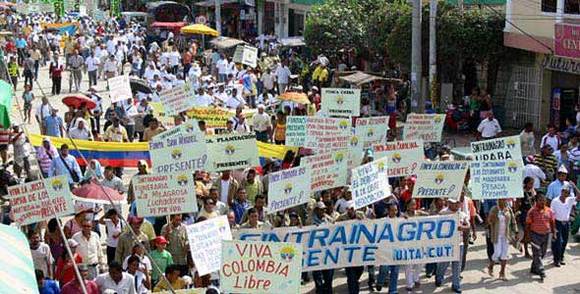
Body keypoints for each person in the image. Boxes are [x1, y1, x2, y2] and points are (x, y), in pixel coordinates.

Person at [436, 198, 469, 293]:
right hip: (446, 243)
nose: (455, 205)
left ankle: (456, 284)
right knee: (444, 262)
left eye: (457, 203)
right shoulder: (443, 213)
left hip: (459, 243)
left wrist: (462, 227)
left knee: (457, 265)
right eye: (453, 203)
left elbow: (468, 226)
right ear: (449, 203)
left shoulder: (462, 214)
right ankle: (439, 276)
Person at [335, 201, 366, 294]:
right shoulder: (342, 217)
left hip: (359, 248)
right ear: (347, 210)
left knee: (359, 269)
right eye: (349, 209)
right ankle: (353, 289)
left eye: (352, 209)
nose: (351, 211)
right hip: (347, 250)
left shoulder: (361, 215)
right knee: (351, 273)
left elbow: (369, 225)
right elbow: (333, 226)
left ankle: (353, 282)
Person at [487, 199, 518, 281]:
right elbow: (489, 222)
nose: (503, 201)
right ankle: (491, 265)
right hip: (497, 235)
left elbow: (513, 221)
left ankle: (502, 272)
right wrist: (493, 217)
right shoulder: (494, 209)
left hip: (506, 235)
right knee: (497, 252)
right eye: (501, 199)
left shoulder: (508, 209)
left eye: (504, 199)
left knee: (504, 254)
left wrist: (516, 231)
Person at [550, 182, 580, 267]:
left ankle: (561, 257)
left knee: (564, 242)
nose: (565, 194)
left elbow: (579, 196)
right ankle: (556, 260)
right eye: (564, 192)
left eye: (567, 192)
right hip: (557, 223)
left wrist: (574, 186)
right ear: (561, 191)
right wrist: (553, 227)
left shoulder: (569, 200)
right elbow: (551, 214)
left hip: (566, 223)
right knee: (558, 242)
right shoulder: (555, 201)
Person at [526, 194, 555, 279]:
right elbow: (527, 225)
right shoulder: (531, 211)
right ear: (536, 201)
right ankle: (541, 270)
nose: (543, 202)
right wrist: (527, 236)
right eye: (540, 200)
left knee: (543, 253)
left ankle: (534, 268)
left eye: (544, 200)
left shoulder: (549, 210)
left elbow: (552, 222)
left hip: (546, 235)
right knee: (537, 253)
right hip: (535, 235)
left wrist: (554, 233)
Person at [310, 201, 335, 294]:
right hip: (315, 253)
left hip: (327, 252)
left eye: (324, 209)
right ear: (316, 210)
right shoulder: (310, 221)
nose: (323, 211)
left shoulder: (328, 219)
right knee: (318, 276)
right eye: (321, 209)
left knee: (328, 276)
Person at [376, 203, 400, 293]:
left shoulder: (400, 221)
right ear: (388, 211)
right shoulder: (382, 221)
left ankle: (393, 290)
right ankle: (380, 282)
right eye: (392, 210)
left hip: (396, 250)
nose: (394, 212)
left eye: (396, 210)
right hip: (385, 250)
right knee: (384, 269)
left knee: (395, 270)